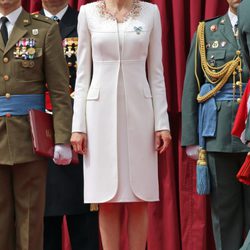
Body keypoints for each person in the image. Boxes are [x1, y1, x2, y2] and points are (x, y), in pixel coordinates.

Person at [70, 0, 171, 249]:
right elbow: (82, 76)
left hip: (141, 114)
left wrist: (162, 122)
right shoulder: (88, 13)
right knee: (106, 198)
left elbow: (156, 73)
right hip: (98, 115)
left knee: (139, 197)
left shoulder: (150, 12)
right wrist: (78, 125)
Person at [0, 0, 73, 249]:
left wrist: (62, 139)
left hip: (28, 139)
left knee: (30, 222)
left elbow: (60, 90)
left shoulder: (43, 29)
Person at [181, 0, 250, 249]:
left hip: (249, 131)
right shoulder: (206, 32)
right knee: (224, 216)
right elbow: (192, 84)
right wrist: (190, 137)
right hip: (218, 134)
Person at [40, 1, 99, 249]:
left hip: (82, 131)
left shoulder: (87, 22)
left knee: (83, 222)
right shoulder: (28, 26)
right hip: (38, 132)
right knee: (44, 224)